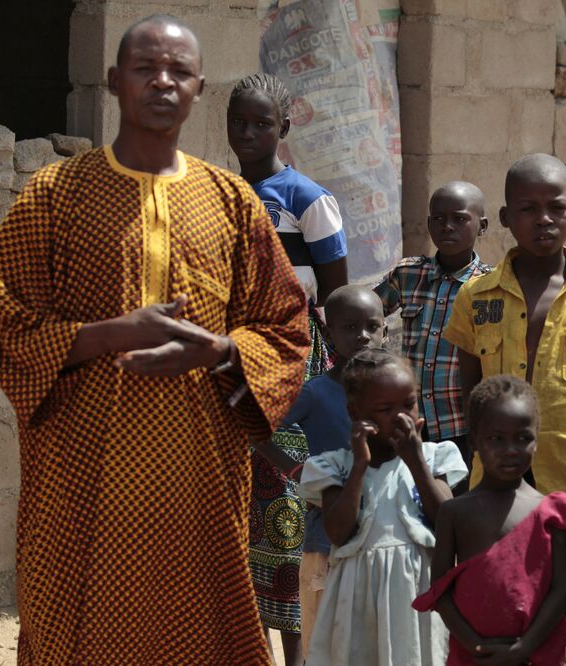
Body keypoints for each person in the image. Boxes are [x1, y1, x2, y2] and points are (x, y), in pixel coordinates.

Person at [0, 16, 309, 664]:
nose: (162, 82)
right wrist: (110, 335)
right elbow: (1, 320)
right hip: (80, 492)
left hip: (199, 493)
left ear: (200, 86)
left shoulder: (232, 202)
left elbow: (288, 327)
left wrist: (220, 351)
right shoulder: (54, 195)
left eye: (178, 72)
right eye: (145, 69)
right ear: (113, 81)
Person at [445, 153, 566, 662]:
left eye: (557, 207)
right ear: (507, 218)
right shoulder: (475, 295)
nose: (545, 219)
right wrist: (481, 464)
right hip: (497, 497)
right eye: (528, 209)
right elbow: (473, 396)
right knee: (506, 619)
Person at [227, 71, 348, 663]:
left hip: (293, 366)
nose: (248, 133)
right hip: (230, 364)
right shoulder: (218, 194)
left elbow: (335, 296)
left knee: (285, 507)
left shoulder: (307, 199)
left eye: (262, 123)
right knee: (233, 508)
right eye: (239, 123)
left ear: (285, 128)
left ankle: (296, 650)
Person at [298, 349, 468, 665]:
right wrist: (360, 465)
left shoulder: (433, 458)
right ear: (355, 413)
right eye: (385, 408)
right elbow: (337, 532)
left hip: (418, 595)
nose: (402, 416)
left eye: (408, 403)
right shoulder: (337, 467)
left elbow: (448, 523)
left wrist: (416, 462)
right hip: (357, 601)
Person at [253, 285, 385, 664]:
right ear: (328, 335)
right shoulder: (317, 392)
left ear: (384, 331)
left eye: (372, 326)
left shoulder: (392, 387)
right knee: (329, 632)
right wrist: (296, 470)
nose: (362, 335)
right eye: (350, 327)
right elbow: (259, 429)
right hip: (328, 532)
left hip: (384, 529)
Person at [414, 375, 566, 665]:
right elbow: (440, 590)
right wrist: (476, 646)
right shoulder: (455, 512)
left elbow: (561, 591)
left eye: (523, 438)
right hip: (473, 656)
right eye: (496, 438)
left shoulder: (552, 511)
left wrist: (523, 648)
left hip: (536, 653)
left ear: (536, 440)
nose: (510, 450)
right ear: (474, 442)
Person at [375, 181, 491, 471]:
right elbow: (368, 313)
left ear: (482, 226)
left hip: (461, 428)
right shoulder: (408, 274)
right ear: (428, 224)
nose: (447, 226)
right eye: (438, 219)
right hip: (409, 424)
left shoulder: (490, 287)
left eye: (460, 219)